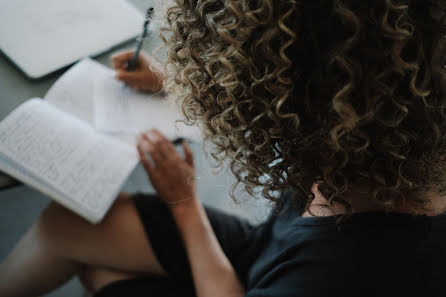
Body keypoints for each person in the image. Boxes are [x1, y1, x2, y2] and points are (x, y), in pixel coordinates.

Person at [1, 0, 446, 296]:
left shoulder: (345, 275)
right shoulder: (391, 138)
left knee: (104, 270)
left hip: (255, 282)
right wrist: (171, 84)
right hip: (265, 251)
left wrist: (183, 205)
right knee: (69, 224)